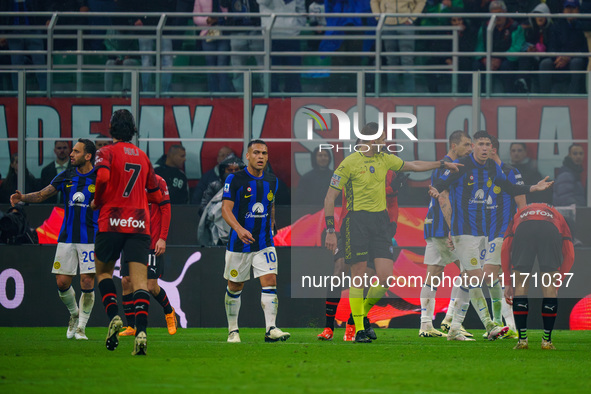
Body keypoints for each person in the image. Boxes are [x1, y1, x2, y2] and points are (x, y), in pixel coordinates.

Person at [323, 122, 463, 343]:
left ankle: (357, 318)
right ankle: (358, 328)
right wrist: (330, 230)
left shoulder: (385, 159)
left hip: (380, 221)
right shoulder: (349, 163)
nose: (385, 142)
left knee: (386, 277)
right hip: (356, 221)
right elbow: (330, 197)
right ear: (370, 140)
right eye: (381, 139)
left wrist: (441, 163)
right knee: (357, 278)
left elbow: (413, 165)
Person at [430, 130, 553, 341]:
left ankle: (454, 327)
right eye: (481, 144)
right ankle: (491, 324)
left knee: (469, 279)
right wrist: (434, 191)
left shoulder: (492, 168)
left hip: (482, 231)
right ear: (474, 147)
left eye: (488, 144)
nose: (485, 148)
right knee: (478, 277)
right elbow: (440, 185)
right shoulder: (461, 165)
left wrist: (534, 187)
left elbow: (510, 187)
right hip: (463, 231)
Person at [10, 139, 98, 340]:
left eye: (76, 151)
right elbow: (42, 195)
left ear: (88, 156)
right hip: (66, 237)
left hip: (90, 238)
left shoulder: (99, 177)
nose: (71, 154)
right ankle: (74, 315)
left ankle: (82, 328)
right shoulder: (66, 175)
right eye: (72, 151)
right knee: (62, 283)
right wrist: (22, 197)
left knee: (86, 281)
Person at [91, 109, 162, 356]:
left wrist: (98, 200)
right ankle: (141, 332)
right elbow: (155, 194)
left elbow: (101, 178)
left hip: (111, 220)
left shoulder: (105, 152)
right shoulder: (143, 157)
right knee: (140, 282)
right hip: (140, 223)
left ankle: (114, 317)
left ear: (111, 128)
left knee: (103, 273)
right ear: (133, 129)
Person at [221, 139, 290, 343]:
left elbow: (271, 202)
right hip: (239, 243)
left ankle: (271, 328)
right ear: (248, 156)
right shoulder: (235, 179)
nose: (261, 157)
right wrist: (239, 229)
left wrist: (273, 221)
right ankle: (233, 331)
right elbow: (226, 209)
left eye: (265, 153)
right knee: (235, 286)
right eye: (257, 152)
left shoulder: (272, 180)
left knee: (270, 282)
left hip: (264, 242)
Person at [420, 130, 473, 338]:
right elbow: (442, 197)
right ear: (454, 146)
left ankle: (426, 325)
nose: (470, 149)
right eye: (466, 145)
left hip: (434, 226)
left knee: (433, 276)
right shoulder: (449, 166)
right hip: (444, 228)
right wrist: (453, 229)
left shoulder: (445, 166)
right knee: (470, 272)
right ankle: (452, 322)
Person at [502, 203, 575, 350]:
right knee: (549, 288)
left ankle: (522, 341)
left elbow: (505, 248)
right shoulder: (557, 214)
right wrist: (558, 282)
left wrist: (508, 282)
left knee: (521, 286)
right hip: (550, 229)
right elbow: (570, 254)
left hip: (524, 228)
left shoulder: (519, 213)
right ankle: (546, 341)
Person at [119, 174, 177, 337]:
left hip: (151, 241)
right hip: (131, 239)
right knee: (126, 281)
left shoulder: (158, 181)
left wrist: (162, 238)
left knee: (151, 286)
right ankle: (131, 326)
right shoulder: (124, 181)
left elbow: (166, 209)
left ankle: (169, 312)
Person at [480, 135, 524, 338]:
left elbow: (522, 204)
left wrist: (518, 231)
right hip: (488, 233)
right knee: (494, 277)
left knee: (489, 275)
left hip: (503, 232)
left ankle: (505, 324)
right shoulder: (485, 173)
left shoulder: (510, 172)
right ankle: (509, 326)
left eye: (485, 147)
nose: (481, 152)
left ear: (493, 150)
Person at [370, 0, 426, 93]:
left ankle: (409, 94)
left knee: (407, 60)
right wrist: (379, 17)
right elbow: (374, 1)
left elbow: (421, 1)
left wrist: (412, 18)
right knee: (391, 60)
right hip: (387, 24)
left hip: (406, 24)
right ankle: (392, 93)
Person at [473, 0, 525, 93]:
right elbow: (479, 47)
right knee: (477, 65)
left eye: (499, 13)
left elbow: (517, 48)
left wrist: (500, 58)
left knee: (506, 67)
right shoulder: (484, 28)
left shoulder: (515, 27)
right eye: (494, 14)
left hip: (507, 59)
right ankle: (479, 95)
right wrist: (484, 59)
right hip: (488, 59)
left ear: (505, 12)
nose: (497, 17)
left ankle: (509, 96)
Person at [539, 0, 588, 94]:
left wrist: (569, 57)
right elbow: (551, 46)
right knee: (545, 63)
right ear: (563, 10)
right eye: (567, 8)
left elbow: (585, 48)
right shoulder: (556, 25)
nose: (570, 10)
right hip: (559, 59)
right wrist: (558, 57)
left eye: (573, 8)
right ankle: (544, 97)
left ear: (578, 10)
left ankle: (573, 97)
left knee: (577, 62)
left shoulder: (584, 26)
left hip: (574, 59)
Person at [257, 0, 306, 93]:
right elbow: (262, 1)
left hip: (292, 35)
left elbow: (301, 9)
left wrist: (297, 27)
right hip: (270, 35)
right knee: (272, 75)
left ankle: (293, 101)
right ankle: (273, 102)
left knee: (293, 75)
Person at [220, 0, 264, 92]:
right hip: (237, 30)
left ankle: (266, 95)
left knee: (263, 66)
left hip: (257, 29)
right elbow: (223, 3)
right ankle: (241, 96)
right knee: (238, 67)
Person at [193, 0, 233, 93]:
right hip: (207, 34)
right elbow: (196, 18)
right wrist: (209, 20)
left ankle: (224, 95)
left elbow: (231, 13)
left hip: (224, 34)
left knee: (222, 65)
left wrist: (223, 18)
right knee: (211, 67)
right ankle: (213, 95)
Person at [295, 148, 338, 212]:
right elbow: (300, 201)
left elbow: (340, 198)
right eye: (320, 155)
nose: (323, 158)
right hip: (312, 215)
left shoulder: (335, 177)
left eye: (325, 155)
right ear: (314, 158)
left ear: (329, 158)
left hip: (333, 214)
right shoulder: (306, 178)